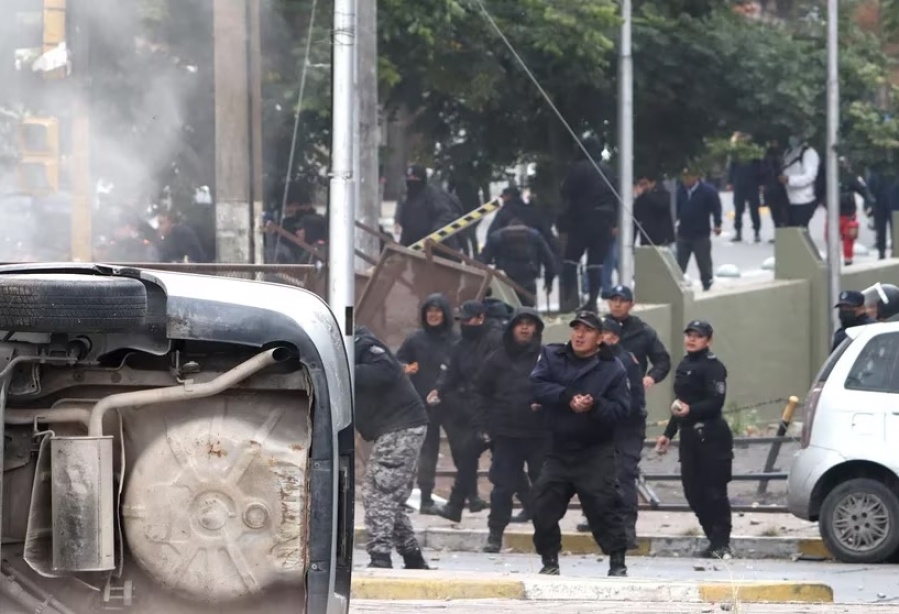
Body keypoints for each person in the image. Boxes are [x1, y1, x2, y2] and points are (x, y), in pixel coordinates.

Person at [529, 310, 631, 577]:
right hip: (559, 449)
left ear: (600, 338)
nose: (580, 335)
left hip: (594, 451)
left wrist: (594, 405)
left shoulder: (613, 368)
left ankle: (617, 561)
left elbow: (621, 411)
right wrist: (567, 397)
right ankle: (549, 560)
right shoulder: (553, 355)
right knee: (542, 506)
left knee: (604, 506)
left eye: (587, 330)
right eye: (576, 329)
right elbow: (536, 385)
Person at [576, 283, 670, 534]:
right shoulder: (595, 329)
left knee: (624, 471)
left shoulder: (642, 332)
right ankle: (594, 516)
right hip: (600, 413)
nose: (617, 304)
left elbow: (662, 360)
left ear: (631, 304)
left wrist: (650, 377)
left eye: (622, 300)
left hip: (629, 408)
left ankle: (626, 526)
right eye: (613, 300)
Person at [354, 327, 430, 570]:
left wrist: (342, 369)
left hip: (401, 426)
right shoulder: (355, 346)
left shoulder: (362, 345)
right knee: (389, 497)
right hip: (399, 427)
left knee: (378, 492)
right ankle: (412, 557)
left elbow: (385, 371)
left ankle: (380, 556)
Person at [655, 320, 733, 559]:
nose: (691, 339)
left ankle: (721, 543)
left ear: (708, 340)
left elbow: (716, 402)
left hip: (712, 436)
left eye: (698, 336)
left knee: (714, 492)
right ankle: (712, 538)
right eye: (689, 334)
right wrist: (668, 434)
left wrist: (692, 410)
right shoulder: (685, 364)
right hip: (689, 437)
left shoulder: (713, 367)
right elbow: (681, 404)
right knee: (692, 492)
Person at [474, 308, 548, 553]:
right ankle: (495, 535)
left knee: (544, 487)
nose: (525, 328)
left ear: (536, 328)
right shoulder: (497, 359)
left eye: (530, 323)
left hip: (539, 434)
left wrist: (545, 404)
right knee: (502, 488)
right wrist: (485, 426)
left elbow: (560, 388)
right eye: (520, 323)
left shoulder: (547, 358)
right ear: (512, 328)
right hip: (505, 435)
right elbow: (481, 393)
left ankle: (546, 534)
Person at [429, 300, 501, 520]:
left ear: (481, 318)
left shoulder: (494, 340)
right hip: (475, 409)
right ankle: (455, 506)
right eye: (462, 320)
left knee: (506, 462)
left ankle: (530, 505)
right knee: (468, 457)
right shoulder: (461, 344)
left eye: (469, 319)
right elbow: (451, 372)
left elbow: (495, 373)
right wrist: (439, 390)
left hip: (497, 409)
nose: (465, 324)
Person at [396, 293, 458, 515]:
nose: (433, 315)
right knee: (427, 452)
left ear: (445, 314)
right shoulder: (415, 339)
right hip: (423, 403)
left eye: (438, 310)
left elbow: (459, 367)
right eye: (429, 310)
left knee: (462, 449)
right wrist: (406, 367)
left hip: (451, 403)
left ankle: (465, 495)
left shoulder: (455, 340)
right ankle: (426, 499)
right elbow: (398, 360)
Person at [558, 136, 619, 312]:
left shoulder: (578, 168)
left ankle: (568, 296)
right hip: (604, 222)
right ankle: (592, 301)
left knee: (571, 259)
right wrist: (614, 223)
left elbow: (565, 191)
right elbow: (616, 196)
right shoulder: (608, 170)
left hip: (582, 220)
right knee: (595, 263)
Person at [601, 317, 646, 549]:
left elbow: (633, 400)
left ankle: (628, 531)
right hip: (604, 427)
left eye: (604, 333)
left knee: (624, 475)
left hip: (627, 427)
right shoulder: (595, 359)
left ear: (615, 337)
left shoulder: (625, 361)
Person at [479, 217, 557, 307]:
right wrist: (548, 282)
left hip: (504, 279)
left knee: (505, 308)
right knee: (527, 309)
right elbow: (549, 260)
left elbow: (483, 260)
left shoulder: (496, 237)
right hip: (528, 278)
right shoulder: (534, 236)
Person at [394, 164, 462, 251]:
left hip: (436, 249)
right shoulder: (408, 199)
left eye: (415, 179)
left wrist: (433, 234)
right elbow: (407, 226)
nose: (411, 182)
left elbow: (446, 215)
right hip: (415, 249)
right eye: (409, 179)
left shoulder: (433, 195)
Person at [675, 168, 723, 292]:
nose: (686, 180)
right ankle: (676, 285)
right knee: (679, 262)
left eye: (689, 176)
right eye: (684, 177)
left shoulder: (707, 191)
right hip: (683, 232)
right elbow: (676, 209)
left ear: (696, 177)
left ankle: (707, 283)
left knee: (703, 261)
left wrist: (717, 224)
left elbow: (716, 208)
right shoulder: (680, 191)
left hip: (701, 233)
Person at [779, 136, 820, 228]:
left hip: (803, 201)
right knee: (789, 232)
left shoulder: (809, 153)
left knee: (799, 232)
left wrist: (789, 180)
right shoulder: (788, 151)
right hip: (788, 199)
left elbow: (809, 177)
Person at [727, 143, 763, 243]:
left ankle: (756, 232)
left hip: (753, 184)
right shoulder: (736, 153)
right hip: (739, 184)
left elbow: (760, 169)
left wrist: (761, 183)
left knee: (754, 209)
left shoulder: (755, 153)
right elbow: (732, 168)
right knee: (738, 209)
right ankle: (738, 232)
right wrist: (730, 182)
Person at [633, 177, 675, 248]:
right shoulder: (641, 199)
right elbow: (635, 218)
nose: (643, 187)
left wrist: (647, 194)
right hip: (646, 239)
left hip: (663, 238)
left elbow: (662, 205)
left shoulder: (663, 194)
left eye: (645, 184)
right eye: (641, 184)